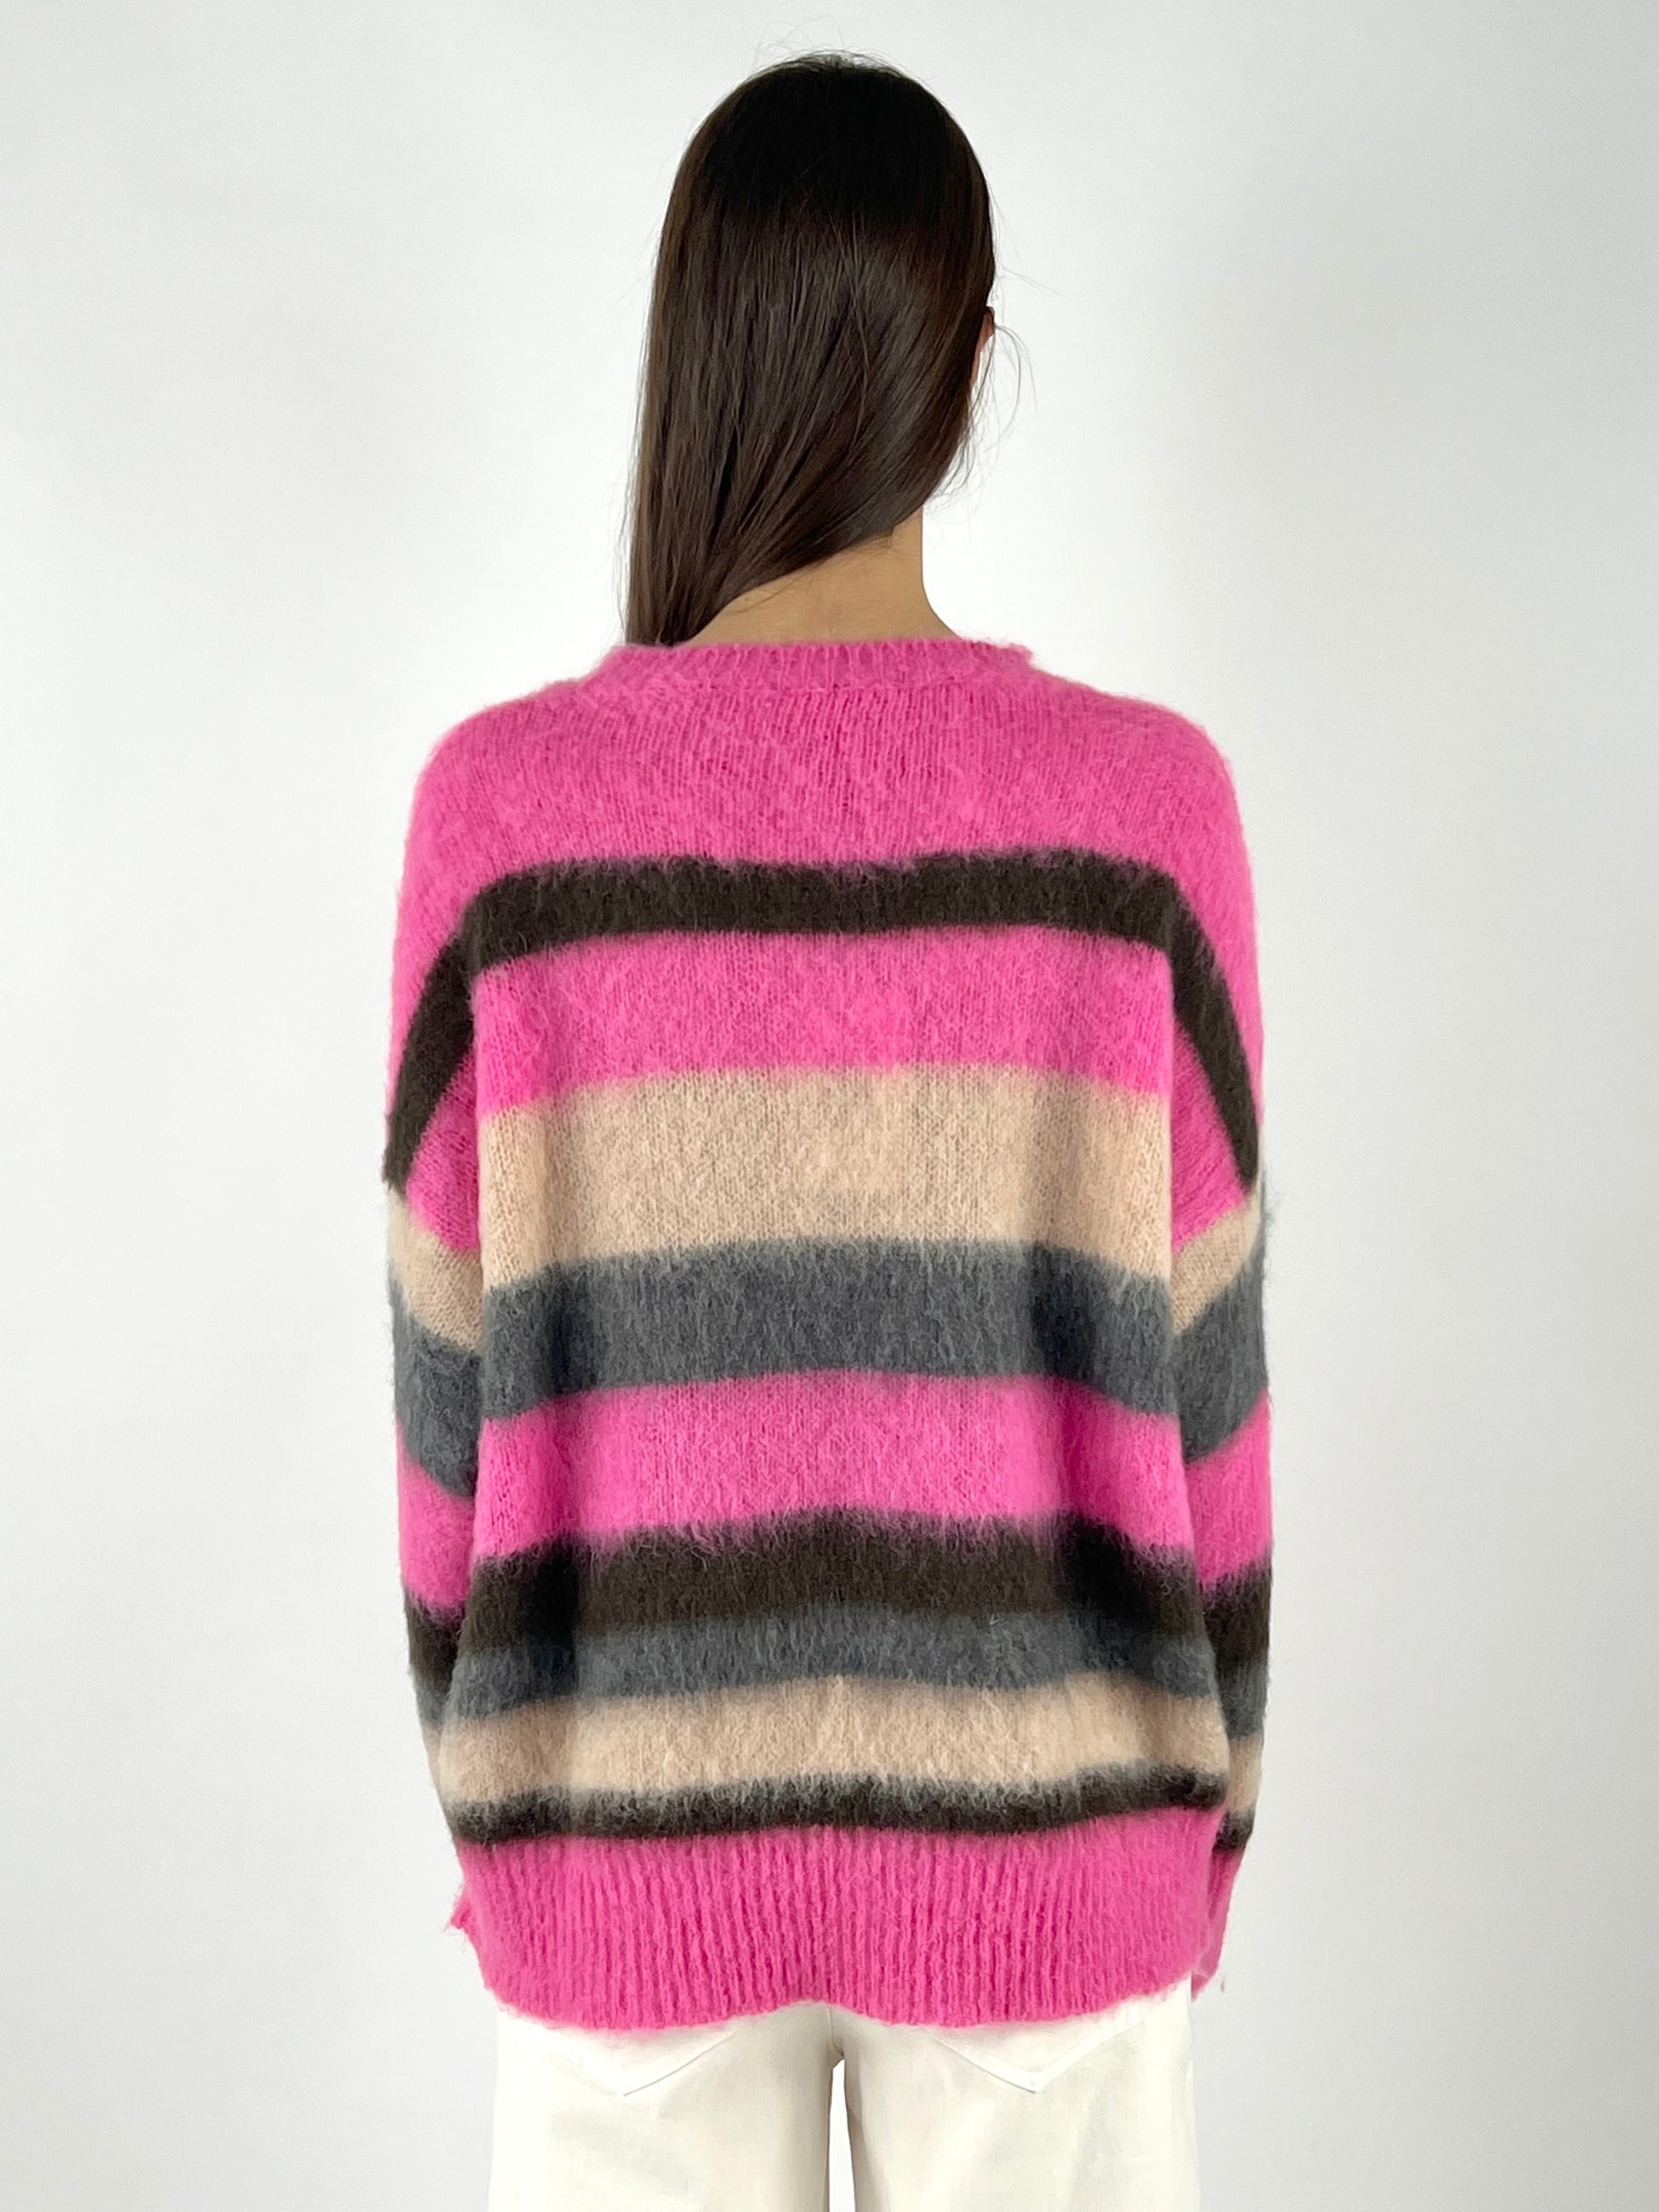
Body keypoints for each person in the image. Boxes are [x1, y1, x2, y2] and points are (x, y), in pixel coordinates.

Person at [381, 49, 1271, 2212]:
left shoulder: (504, 817)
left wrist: (504, 1804)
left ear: (697, 354)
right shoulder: (1142, 816)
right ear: (965, 363)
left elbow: (445, 1416)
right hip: (1057, 1837)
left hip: (616, 1836)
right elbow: (1211, 1392)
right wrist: (1204, 1815)